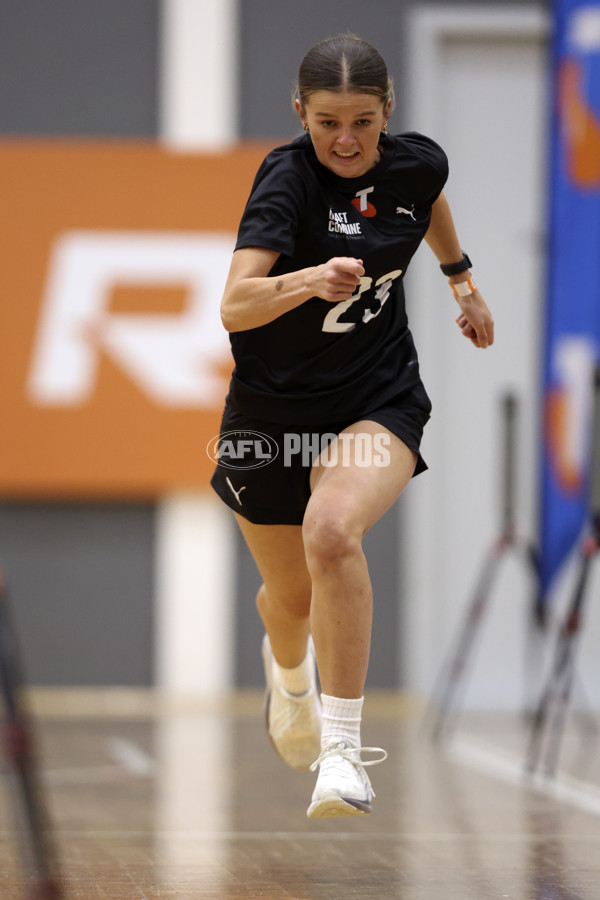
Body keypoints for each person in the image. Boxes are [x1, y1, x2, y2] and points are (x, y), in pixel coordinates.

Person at [211, 33, 494, 818]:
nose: (345, 140)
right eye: (327, 121)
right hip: (270, 411)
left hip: (377, 394)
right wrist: (305, 279)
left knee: (333, 531)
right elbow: (234, 305)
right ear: (300, 113)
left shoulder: (415, 160)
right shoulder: (286, 180)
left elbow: (427, 197)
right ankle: (288, 671)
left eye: (363, 122)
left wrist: (461, 279)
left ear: (387, 113)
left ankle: (341, 752)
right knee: (290, 596)